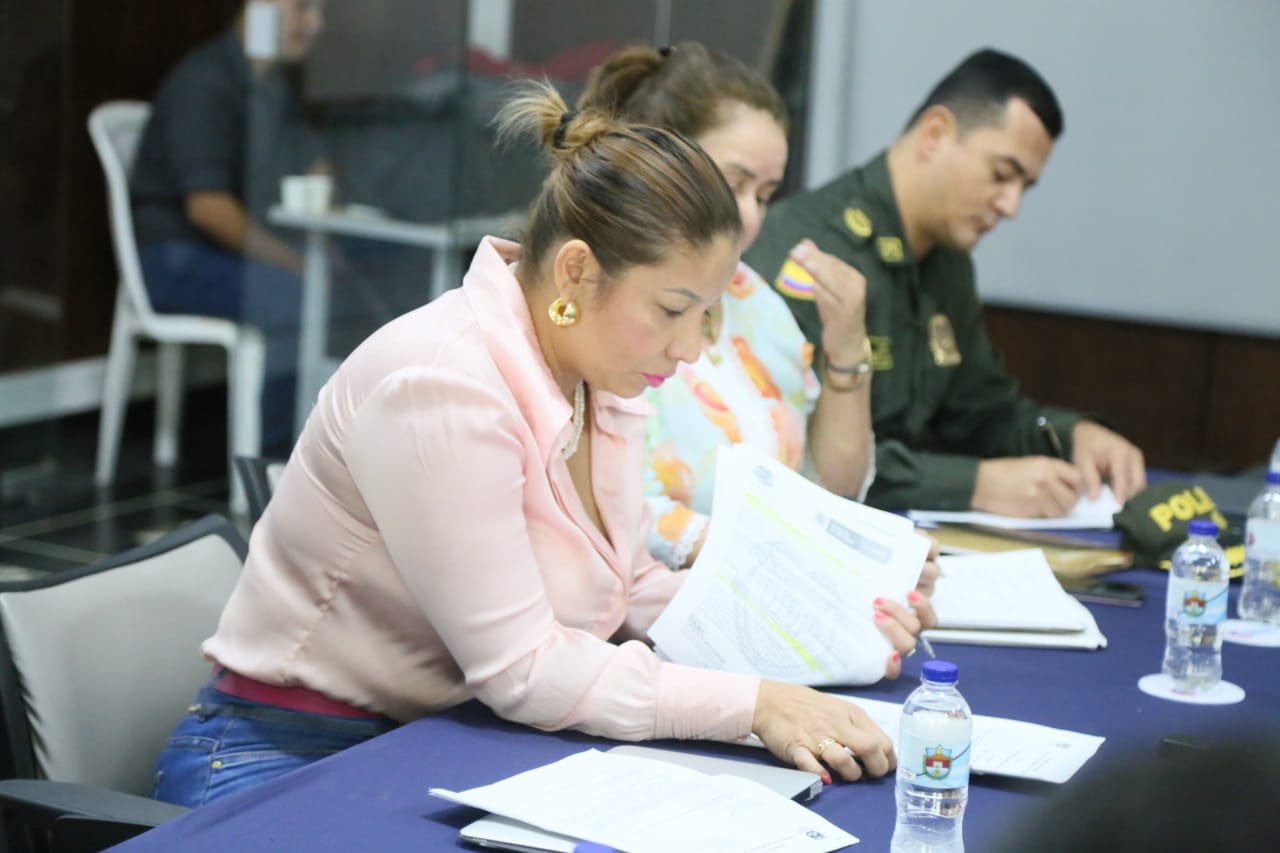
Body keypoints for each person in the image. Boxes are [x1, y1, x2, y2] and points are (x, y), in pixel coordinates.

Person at [148, 79, 926, 808]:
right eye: (673, 309)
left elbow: (631, 588)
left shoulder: (596, 371)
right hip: (283, 756)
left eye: (705, 314)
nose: (690, 348)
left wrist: (822, 628)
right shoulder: (444, 384)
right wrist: (754, 704)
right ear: (578, 272)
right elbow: (525, 668)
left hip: (439, 737)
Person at [582, 44, 939, 619]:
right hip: (644, 612)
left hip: (753, 600)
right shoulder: (609, 298)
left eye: (766, 195)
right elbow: (619, 512)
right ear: (662, 163)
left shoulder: (757, 300)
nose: (748, 215)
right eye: (734, 182)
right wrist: (813, 561)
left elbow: (827, 488)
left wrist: (847, 346)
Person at [744, 48, 1147, 518]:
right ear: (935, 134)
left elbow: (983, 412)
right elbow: (799, 450)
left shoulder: (947, 260)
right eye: (1001, 175)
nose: (1010, 206)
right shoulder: (811, 251)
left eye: (1024, 187)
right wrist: (974, 485)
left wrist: (1072, 433)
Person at [130, 0, 327, 453]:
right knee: (301, 298)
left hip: (228, 249)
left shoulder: (271, 84)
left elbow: (313, 164)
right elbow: (208, 208)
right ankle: (278, 459)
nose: (316, 24)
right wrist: (298, 262)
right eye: (303, 9)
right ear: (262, 9)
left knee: (358, 277)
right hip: (175, 256)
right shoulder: (205, 82)